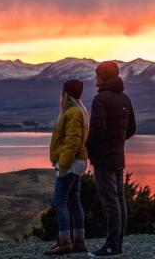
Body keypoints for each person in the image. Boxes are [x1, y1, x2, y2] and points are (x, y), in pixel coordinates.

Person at [86, 61, 136, 257]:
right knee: (119, 198)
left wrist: (87, 146)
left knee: (110, 201)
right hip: (117, 155)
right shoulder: (125, 98)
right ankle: (118, 243)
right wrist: (117, 141)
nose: (95, 78)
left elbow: (97, 130)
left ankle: (112, 246)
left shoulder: (101, 99)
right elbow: (132, 129)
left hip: (103, 158)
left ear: (103, 77)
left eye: (97, 74)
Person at [45, 79, 90, 255]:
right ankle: (78, 241)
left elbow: (72, 141)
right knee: (73, 201)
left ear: (65, 94)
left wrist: (63, 164)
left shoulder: (72, 112)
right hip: (77, 161)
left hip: (70, 162)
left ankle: (64, 242)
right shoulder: (81, 111)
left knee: (59, 201)